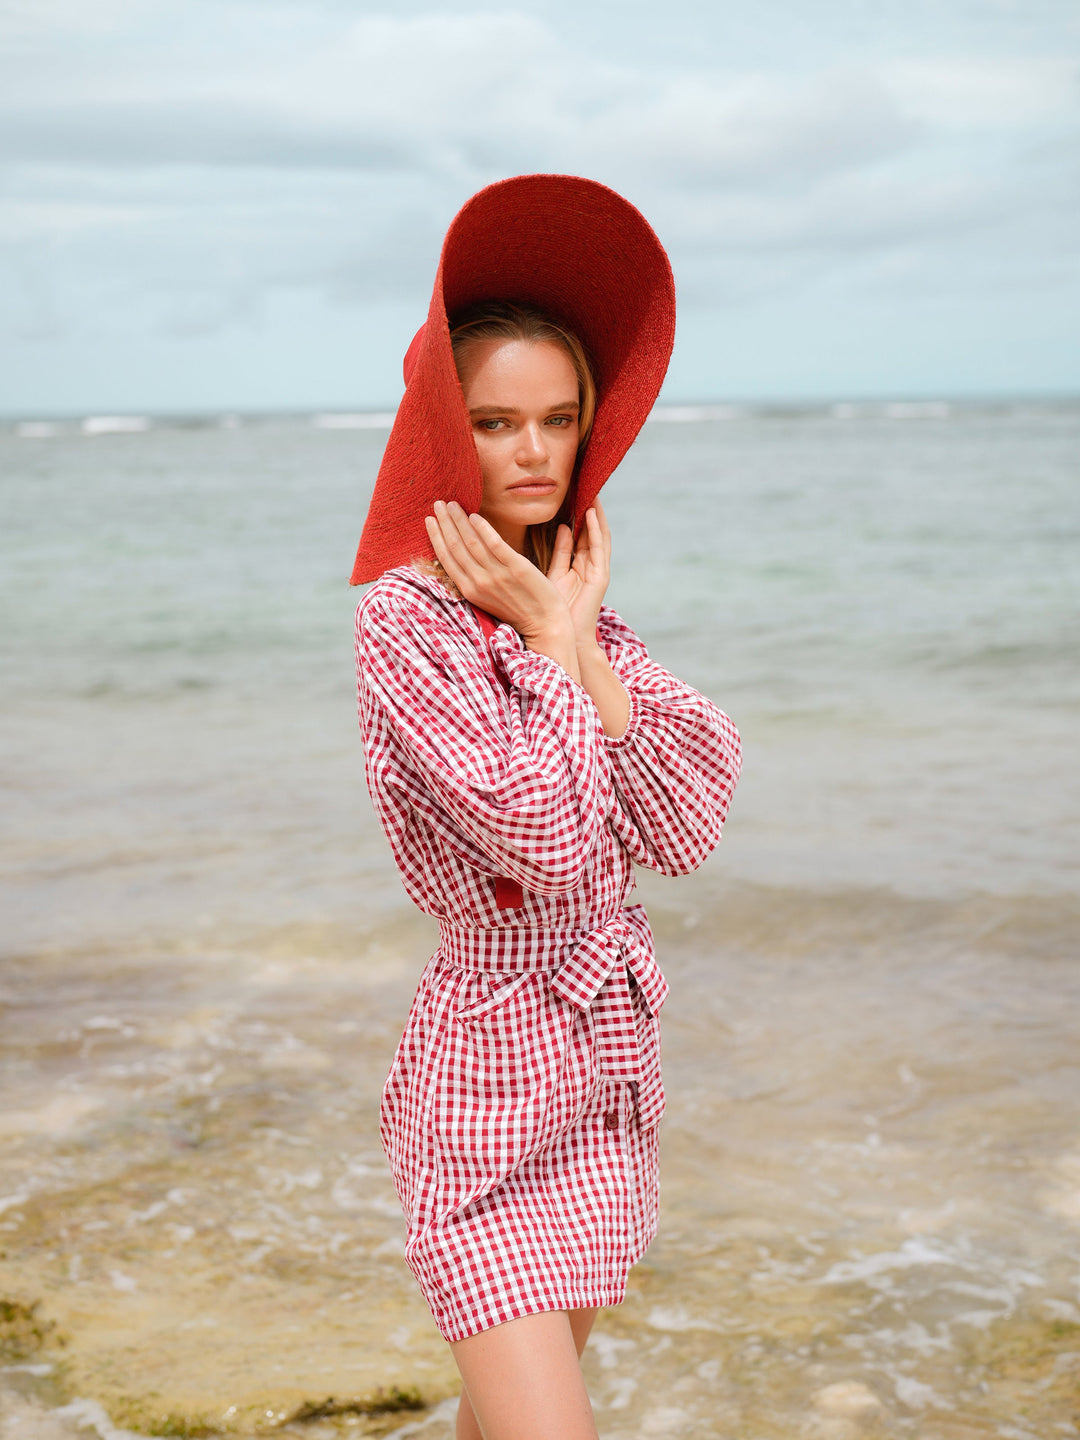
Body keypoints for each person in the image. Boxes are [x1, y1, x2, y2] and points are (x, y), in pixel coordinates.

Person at [350, 174, 741, 1440]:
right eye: (497, 421)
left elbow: (686, 822)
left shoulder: (574, 600)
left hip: (606, 1067)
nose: (530, 452)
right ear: (443, 427)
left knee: (504, 1422)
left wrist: (566, 642)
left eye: (557, 421)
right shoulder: (401, 624)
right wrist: (550, 634)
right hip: (487, 1078)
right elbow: (551, 834)